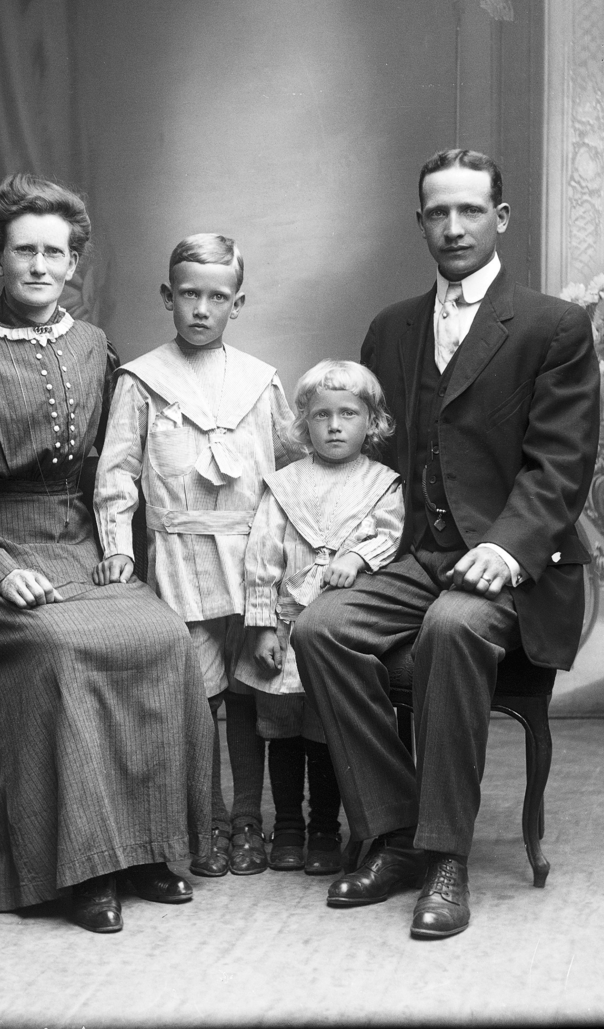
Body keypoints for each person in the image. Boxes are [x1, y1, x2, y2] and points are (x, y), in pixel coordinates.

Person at [292, 148, 600, 938]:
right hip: (418, 555)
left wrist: (507, 547)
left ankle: (445, 857)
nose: (454, 227)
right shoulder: (390, 328)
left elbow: (562, 464)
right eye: (439, 212)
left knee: (453, 626)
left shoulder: (553, 327)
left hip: (517, 570)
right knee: (321, 629)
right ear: (420, 222)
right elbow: (376, 461)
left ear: (501, 217)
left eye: (470, 210)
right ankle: (395, 833)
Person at [0, 174, 213, 935]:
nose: (40, 266)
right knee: (60, 649)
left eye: (55, 252)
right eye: (24, 252)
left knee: (164, 637)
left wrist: (118, 546)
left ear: (74, 263)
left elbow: (115, 464)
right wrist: (1, 570)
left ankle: (148, 850)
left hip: (77, 543)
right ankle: (86, 868)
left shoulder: (94, 347)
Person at [93, 233, 298, 878]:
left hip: (255, 560)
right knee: (197, 694)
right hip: (180, 557)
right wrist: (118, 549)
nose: (201, 309)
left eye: (216, 296)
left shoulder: (260, 381)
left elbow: (294, 471)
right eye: (188, 294)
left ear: (238, 302)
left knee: (251, 690)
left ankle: (248, 818)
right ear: (167, 297)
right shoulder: (142, 380)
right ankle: (205, 816)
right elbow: (116, 473)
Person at [235, 360, 404, 875]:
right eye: (320, 415)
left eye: (348, 414)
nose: (334, 426)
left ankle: (325, 830)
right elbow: (261, 558)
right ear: (303, 422)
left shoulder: (382, 483)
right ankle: (288, 827)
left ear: (371, 422)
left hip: (337, 633)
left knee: (327, 728)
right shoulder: (285, 484)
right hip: (286, 627)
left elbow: (391, 534)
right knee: (282, 726)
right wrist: (263, 626)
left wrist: (357, 557)